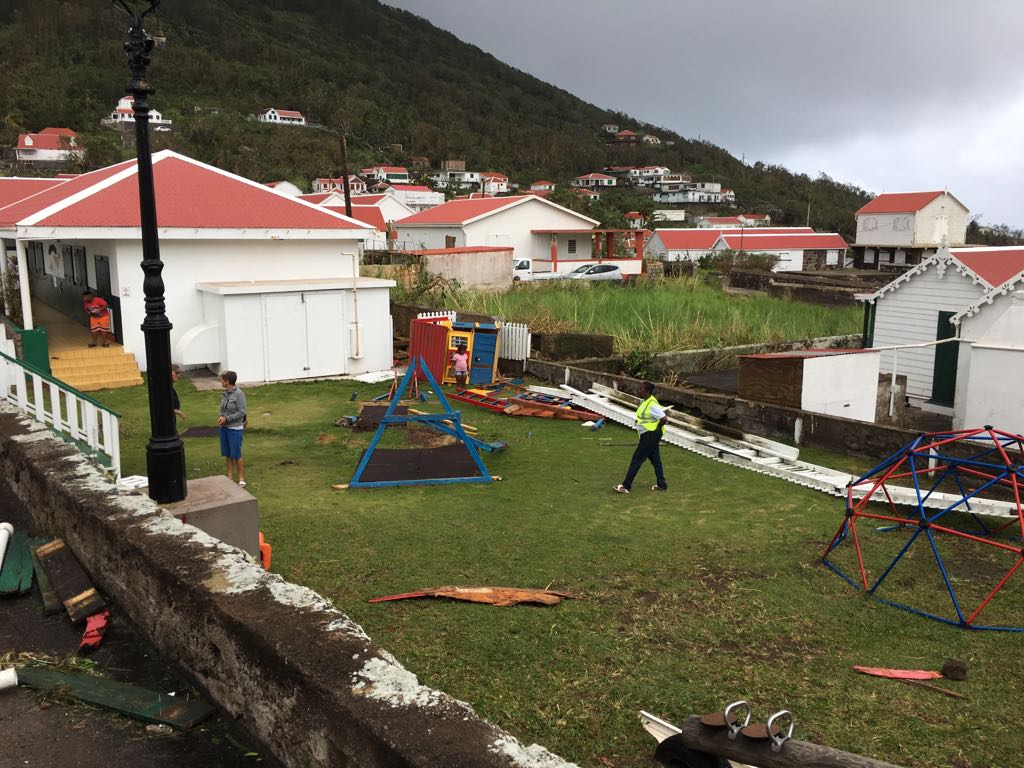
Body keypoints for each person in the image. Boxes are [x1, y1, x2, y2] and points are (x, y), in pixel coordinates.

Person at [615, 381, 668, 494]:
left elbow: (663, 419)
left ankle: (626, 486)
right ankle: (662, 485)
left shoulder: (652, 404)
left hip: (650, 435)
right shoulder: (644, 401)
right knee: (655, 460)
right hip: (649, 435)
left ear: (647, 391)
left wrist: (655, 428)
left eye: (641, 389)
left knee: (636, 460)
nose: (638, 390)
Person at [217, 370, 247, 487]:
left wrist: (227, 419)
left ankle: (241, 478)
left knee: (236, 454)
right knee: (228, 453)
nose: (220, 381)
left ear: (227, 381)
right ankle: (229, 476)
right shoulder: (225, 393)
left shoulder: (239, 394)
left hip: (235, 428)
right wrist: (221, 416)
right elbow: (222, 409)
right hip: (224, 428)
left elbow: (242, 411)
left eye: (222, 379)